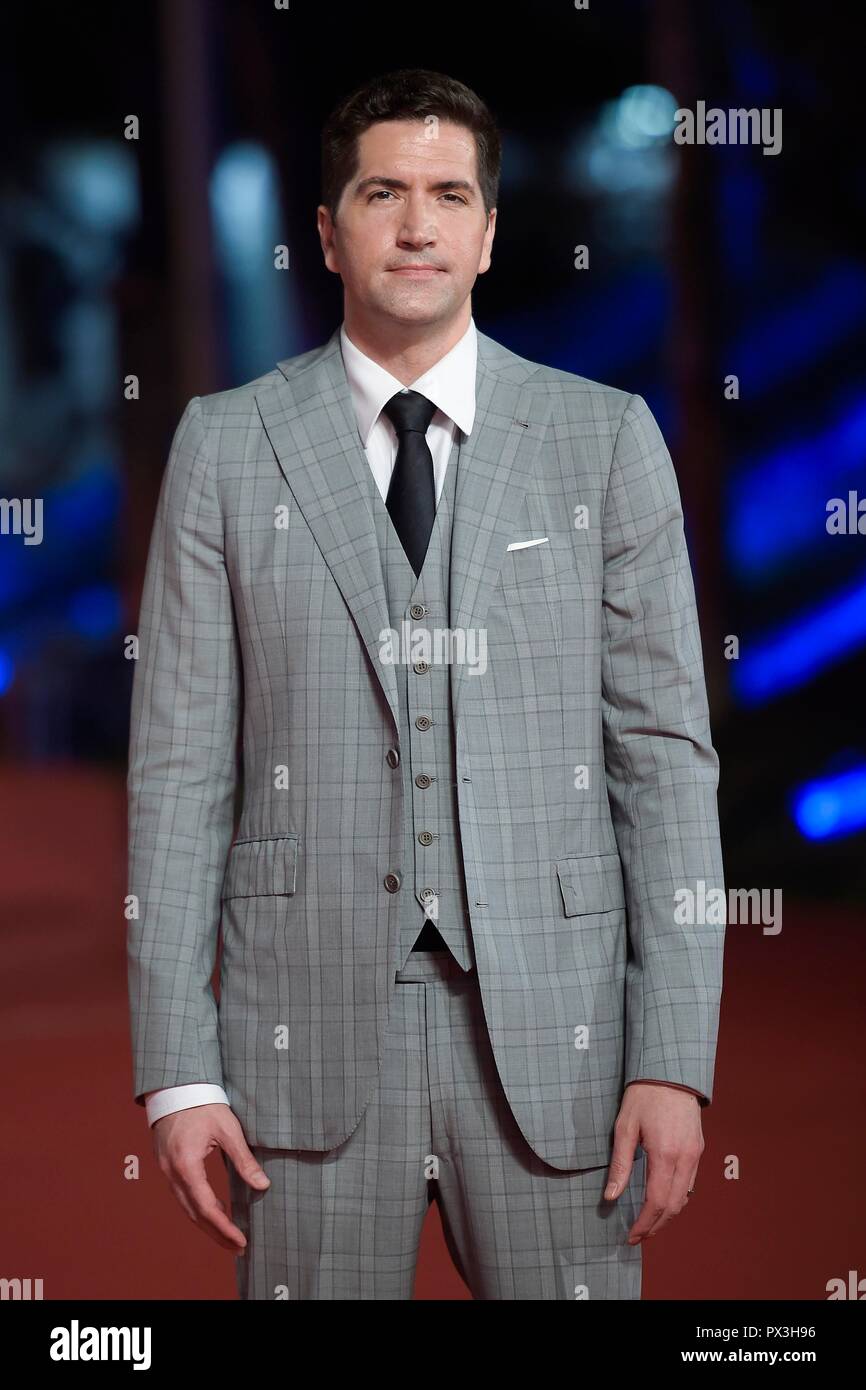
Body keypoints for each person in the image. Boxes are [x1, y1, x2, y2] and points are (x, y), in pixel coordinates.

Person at [127, 67, 726, 1301]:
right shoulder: (225, 446)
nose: (416, 224)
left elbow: (662, 763)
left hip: (558, 1051)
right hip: (303, 1045)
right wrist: (179, 1070)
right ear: (327, 234)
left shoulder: (603, 441)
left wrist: (672, 1056)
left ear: (490, 231)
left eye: (449, 194)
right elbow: (180, 774)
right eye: (382, 192)